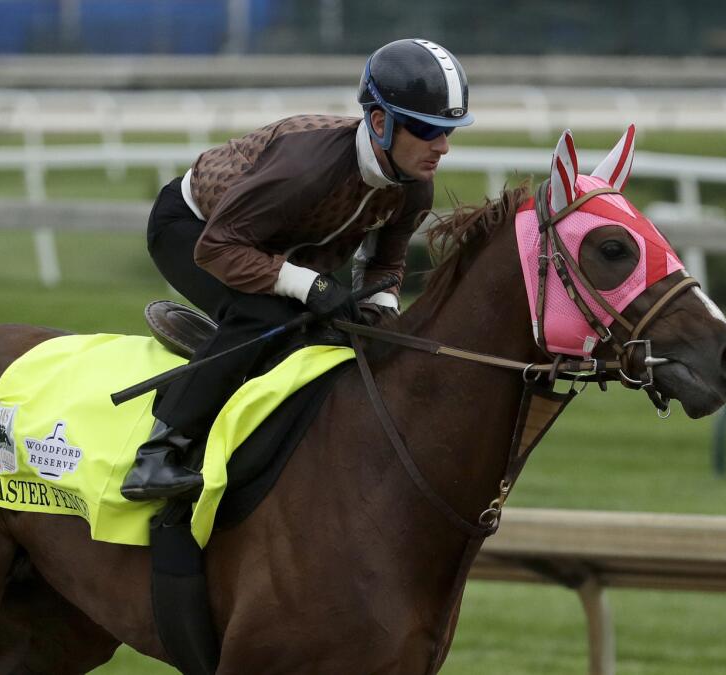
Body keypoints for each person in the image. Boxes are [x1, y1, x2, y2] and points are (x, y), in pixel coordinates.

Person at [121, 38, 474, 502]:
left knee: (342, 342)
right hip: (195, 229)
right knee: (265, 317)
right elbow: (219, 246)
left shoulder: (414, 189)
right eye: (429, 131)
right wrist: (311, 283)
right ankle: (159, 453)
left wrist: (377, 314)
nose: (443, 147)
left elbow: (384, 263)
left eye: (449, 132)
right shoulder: (305, 168)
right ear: (382, 123)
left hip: (270, 249)